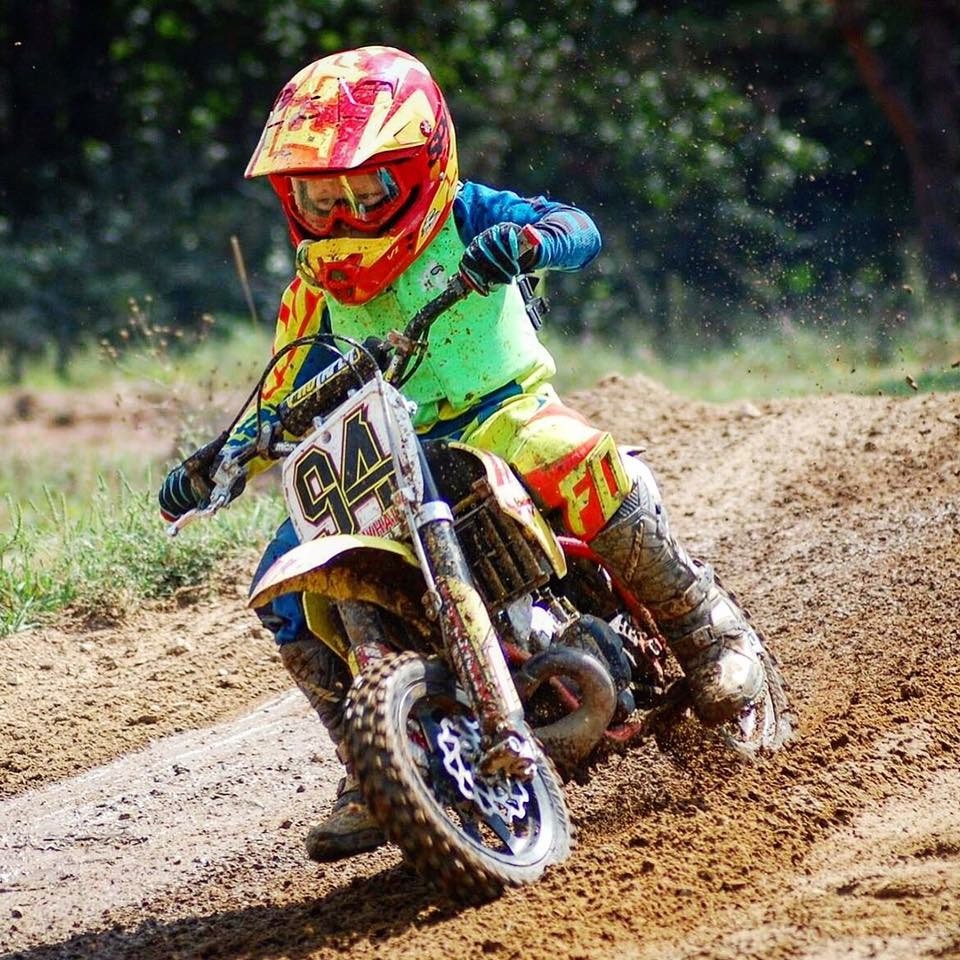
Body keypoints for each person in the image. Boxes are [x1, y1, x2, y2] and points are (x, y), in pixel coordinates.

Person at [159, 46, 764, 863]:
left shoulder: (464, 214)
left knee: (576, 457)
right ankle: (368, 761)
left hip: (502, 413)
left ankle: (705, 630)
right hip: (380, 459)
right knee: (283, 581)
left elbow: (580, 231)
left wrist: (525, 243)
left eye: (365, 190)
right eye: (319, 197)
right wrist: (216, 465)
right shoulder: (311, 290)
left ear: (420, 167)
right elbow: (277, 397)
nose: (342, 216)